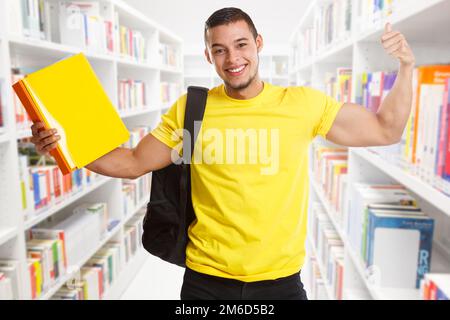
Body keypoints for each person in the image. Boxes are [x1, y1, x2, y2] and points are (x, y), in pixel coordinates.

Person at [29, 7, 415, 300]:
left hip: (280, 284)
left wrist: (406, 66)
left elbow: (386, 129)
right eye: (220, 50)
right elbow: (131, 163)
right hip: (205, 283)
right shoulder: (192, 109)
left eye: (241, 45)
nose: (232, 59)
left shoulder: (301, 105)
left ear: (258, 43)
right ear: (209, 55)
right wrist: (62, 145)